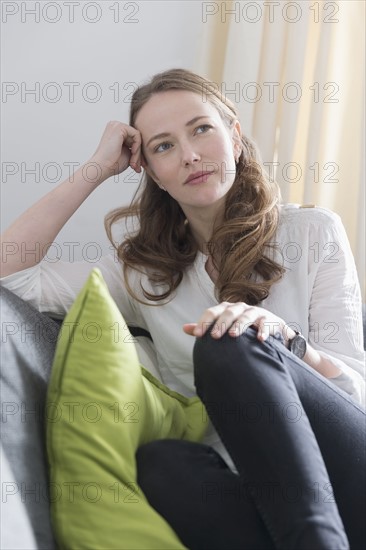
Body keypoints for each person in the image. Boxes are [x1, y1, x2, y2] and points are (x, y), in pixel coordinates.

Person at [1, 68, 365, 549]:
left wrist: (285, 343)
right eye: (164, 146)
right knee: (159, 463)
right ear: (150, 171)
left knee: (230, 342)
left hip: (343, 469)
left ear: (234, 138)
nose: (190, 154)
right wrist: (96, 168)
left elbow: (355, 390)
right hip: (251, 493)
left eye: (201, 129)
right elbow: (10, 273)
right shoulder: (142, 273)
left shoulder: (312, 233)